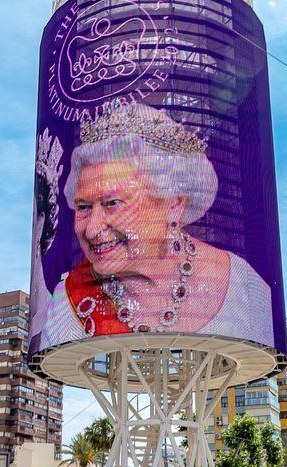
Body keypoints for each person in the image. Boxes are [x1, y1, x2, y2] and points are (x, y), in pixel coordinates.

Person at [41, 103, 273, 346]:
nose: (92, 229)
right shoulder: (68, 302)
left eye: (112, 203)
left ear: (174, 204)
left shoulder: (242, 287)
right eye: (84, 207)